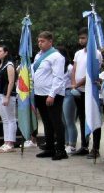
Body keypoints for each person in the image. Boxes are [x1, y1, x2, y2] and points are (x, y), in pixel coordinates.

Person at [32, 31, 67, 160]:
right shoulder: (38, 56)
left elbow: (58, 78)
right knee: (46, 122)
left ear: (50, 42)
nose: (40, 44)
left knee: (56, 121)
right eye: (39, 41)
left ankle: (61, 149)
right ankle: (50, 148)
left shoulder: (57, 57)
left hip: (52, 94)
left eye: (43, 41)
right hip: (39, 93)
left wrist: (52, 94)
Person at [69, 27, 103, 158]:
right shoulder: (78, 53)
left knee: (93, 118)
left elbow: (91, 73)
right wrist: (73, 84)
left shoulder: (96, 53)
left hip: (90, 91)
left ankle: (96, 148)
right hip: (78, 91)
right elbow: (74, 70)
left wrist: (77, 84)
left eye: (83, 38)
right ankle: (84, 145)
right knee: (82, 118)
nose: (81, 40)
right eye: (80, 38)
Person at [0, 44, 16, 152]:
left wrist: (7, 96)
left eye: (0, 51)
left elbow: (11, 82)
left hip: (6, 95)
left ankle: (10, 143)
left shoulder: (9, 65)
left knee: (10, 119)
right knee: (5, 119)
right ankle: (6, 142)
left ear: (6, 53)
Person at [58, 45, 78, 154]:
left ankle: (72, 144)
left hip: (68, 93)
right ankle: (66, 142)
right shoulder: (58, 67)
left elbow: (73, 80)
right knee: (63, 120)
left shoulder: (70, 67)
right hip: (60, 94)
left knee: (69, 120)